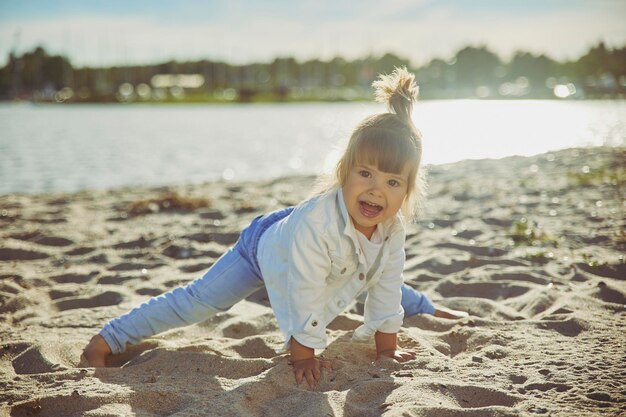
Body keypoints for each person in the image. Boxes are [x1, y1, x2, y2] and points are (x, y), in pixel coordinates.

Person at [82, 67, 467, 389]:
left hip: (327, 251)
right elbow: (304, 294)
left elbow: (385, 283)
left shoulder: (391, 227)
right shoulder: (317, 225)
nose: (375, 190)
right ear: (343, 172)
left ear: (407, 192)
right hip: (265, 249)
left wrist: (386, 350)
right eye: (365, 173)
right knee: (201, 301)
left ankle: (427, 307)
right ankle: (107, 339)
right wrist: (303, 357)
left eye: (392, 182)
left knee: (378, 270)